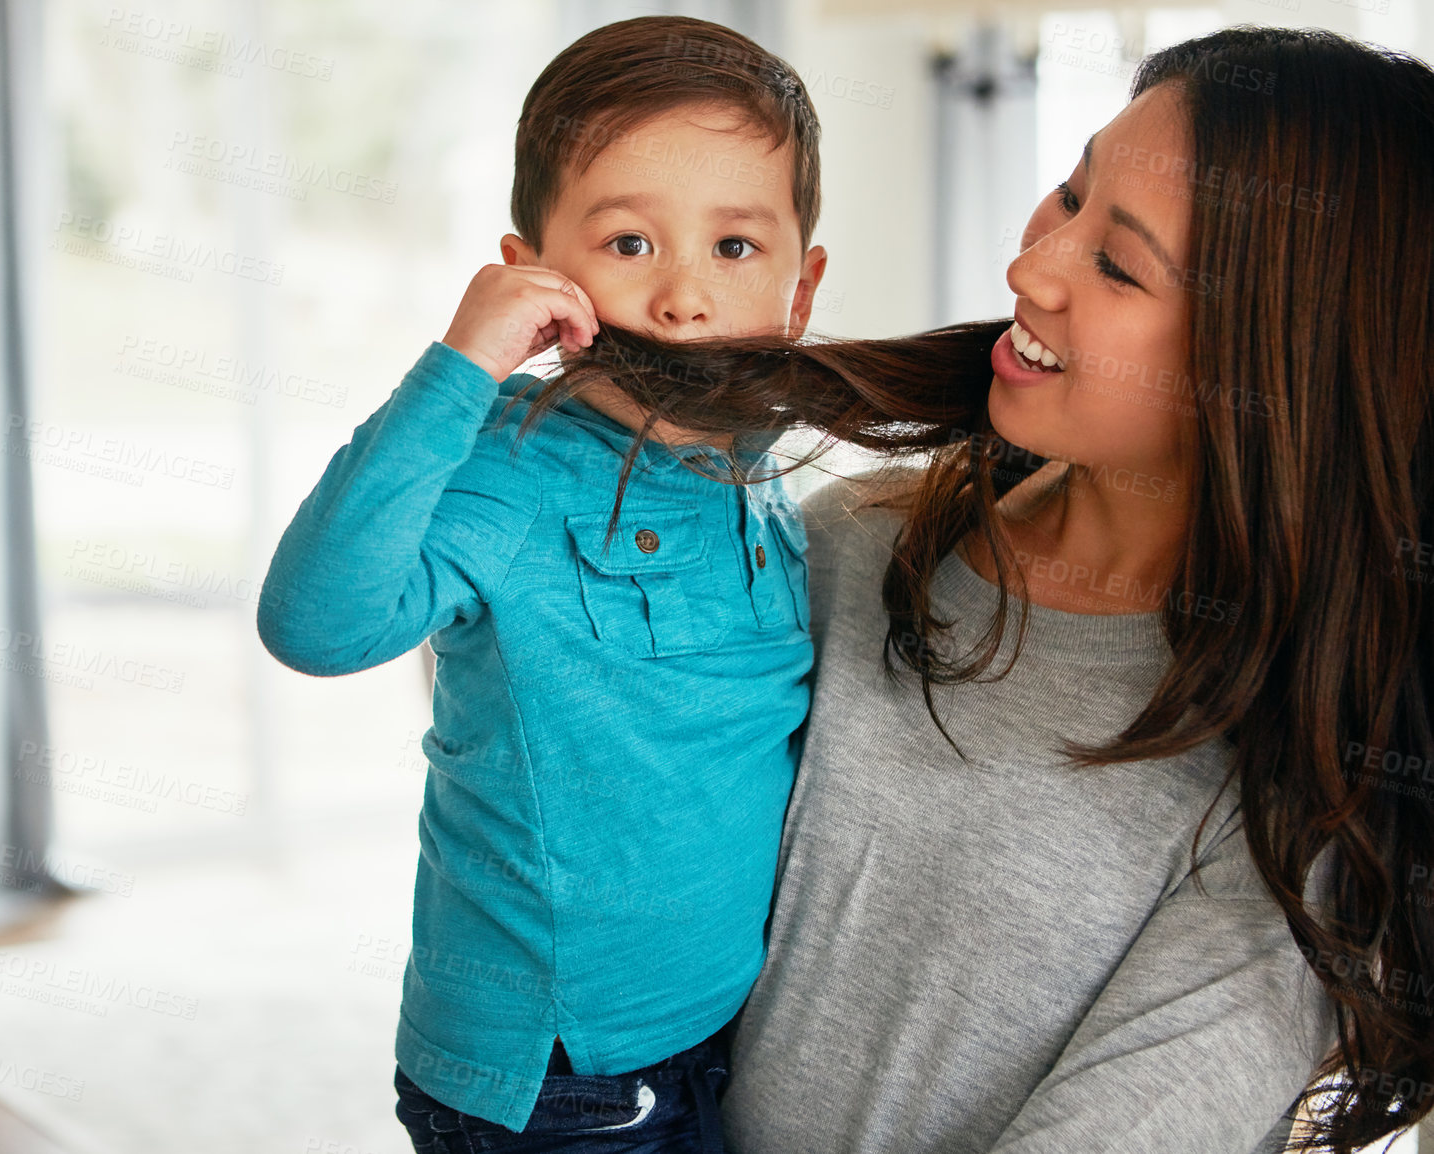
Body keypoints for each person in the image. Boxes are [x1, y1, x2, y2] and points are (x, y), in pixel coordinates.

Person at [550, 25, 1434, 1154]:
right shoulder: (842, 547)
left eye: (1117, 264)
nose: (1032, 268)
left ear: (1265, 361)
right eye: (1067, 193)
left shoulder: (1297, 794)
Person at [256, 16, 829, 1150]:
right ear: (533, 271)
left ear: (800, 286)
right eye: (628, 244)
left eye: (734, 247)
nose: (682, 298)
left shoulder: (757, 473)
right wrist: (464, 363)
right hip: (557, 1074)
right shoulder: (510, 464)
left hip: (718, 1030)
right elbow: (315, 623)